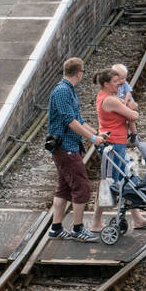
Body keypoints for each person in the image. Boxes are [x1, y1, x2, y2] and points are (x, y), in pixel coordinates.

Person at [47, 57, 109, 242]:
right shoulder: (62, 91)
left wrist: (96, 133)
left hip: (69, 146)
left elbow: (79, 120)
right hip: (65, 147)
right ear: (79, 73)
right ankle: (77, 229)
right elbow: (71, 122)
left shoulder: (69, 90)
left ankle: (56, 228)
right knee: (81, 186)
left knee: (64, 188)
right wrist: (92, 139)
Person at [93, 69, 146, 231]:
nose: (119, 84)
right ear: (106, 84)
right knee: (108, 185)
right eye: (115, 81)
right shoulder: (109, 100)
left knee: (128, 180)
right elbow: (133, 115)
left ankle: (137, 219)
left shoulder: (110, 97)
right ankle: (96, 223)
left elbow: (131, 108)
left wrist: (130, 108)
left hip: (118, 145)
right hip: (112, 146)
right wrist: (131, 110)